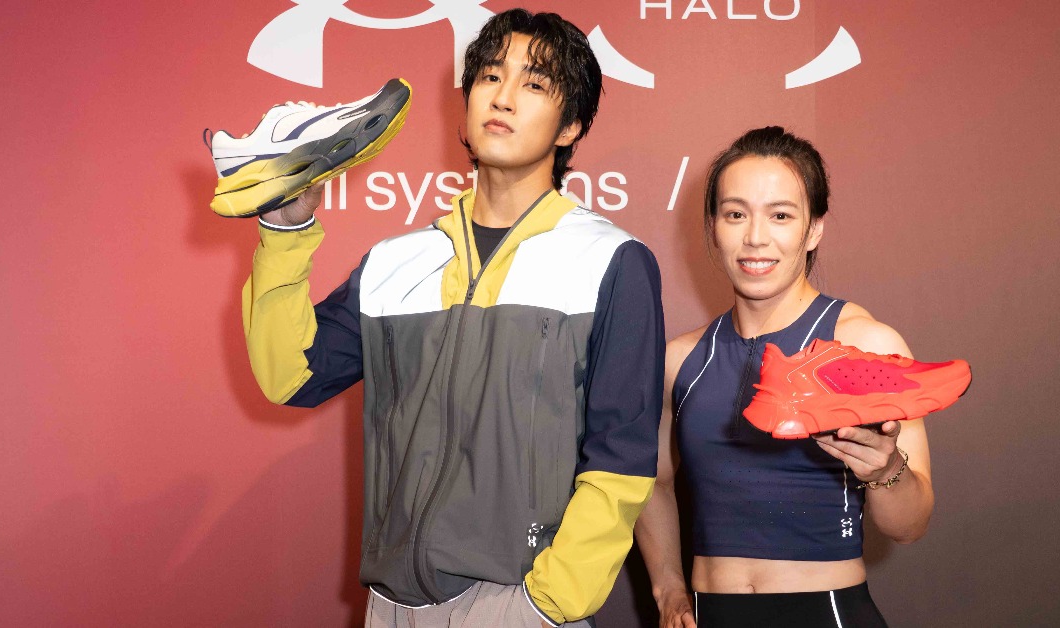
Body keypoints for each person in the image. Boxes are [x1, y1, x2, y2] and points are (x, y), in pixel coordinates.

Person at [239, 9, 664, 627]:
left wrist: (550, 603)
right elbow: (291, 377)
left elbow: (621, 457)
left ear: (571, 125)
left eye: (534, 84)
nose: (503, 97)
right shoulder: (394, 262)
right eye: (490, 76)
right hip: (393, 606)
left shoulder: (612, 260)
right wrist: (285, 229)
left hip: (521, 602)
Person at [635, 127, 933, 627]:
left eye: (780, 215)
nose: (755, 237)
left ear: (813, 230)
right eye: (736, 214)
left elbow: (911, 524)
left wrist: (885, 471)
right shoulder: (680, 359)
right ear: (713, 227)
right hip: (711, 614)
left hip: (826, 611)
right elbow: (653, 482)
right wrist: (668, 588)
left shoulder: (866, 345)